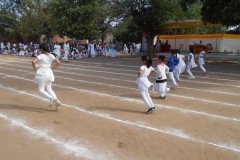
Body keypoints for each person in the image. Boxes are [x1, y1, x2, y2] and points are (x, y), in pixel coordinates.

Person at [32, 43, 62, 109]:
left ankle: (51, 98)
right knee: (49, 88)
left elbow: (33, 62)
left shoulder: (41, 56)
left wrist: (35, 68)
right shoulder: (51, 55)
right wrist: (52, 67)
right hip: (50, 73)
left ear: (42, 49)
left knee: (41, 89)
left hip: (43, 73)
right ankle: (57, 102)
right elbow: (59, 63)